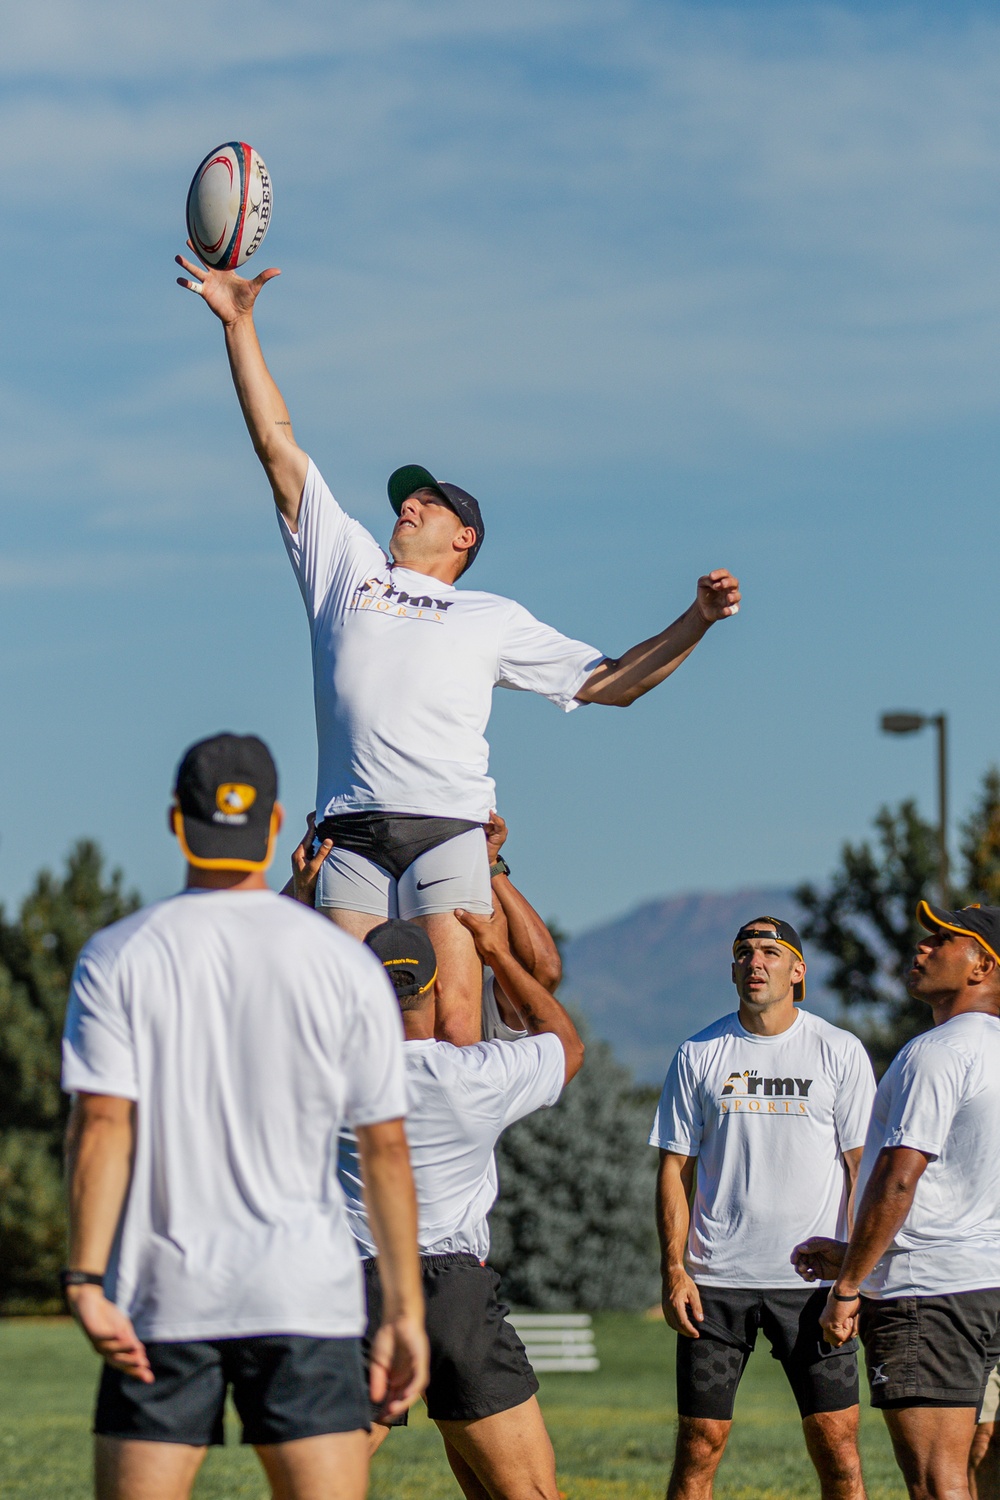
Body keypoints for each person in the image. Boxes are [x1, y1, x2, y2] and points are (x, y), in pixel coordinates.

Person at [175, 248, 741, 1045]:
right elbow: (276, 444)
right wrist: (239, 327)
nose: (407, 504)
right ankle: (360, 1174)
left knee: (456, 1026)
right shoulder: (346, 566)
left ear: (464, 535)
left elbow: (613, 683)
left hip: (447, 826)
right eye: (407, 498)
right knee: (354, 1027)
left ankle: (445, 1170)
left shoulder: (491, 614)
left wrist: (697, 620)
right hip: (354, 827)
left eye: (428, 501)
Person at [60, 733, 428, 1500]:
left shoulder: (117, 954)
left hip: (162, 1301)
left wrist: (85, 1279)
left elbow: (101, 1128)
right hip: (306, 1296)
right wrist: (401, 1309)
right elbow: (386, 1148)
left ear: (174, 822)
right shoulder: (343, 963)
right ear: (275, 826)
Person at [338, 906, 584, 1500]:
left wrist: (301, 890)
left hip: (354, 1291)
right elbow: (566, 1046)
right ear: (437, 987)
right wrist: (496, 952)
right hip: (452, 1294)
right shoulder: (476, 1075)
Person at [650, 916, 876, 1500]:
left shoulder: (838, 1050)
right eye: (744, 952)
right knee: (699, 1444)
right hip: (716, 1284)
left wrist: (853, 1280)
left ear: (798, 971)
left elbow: (863, 1172)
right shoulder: (699, 1051)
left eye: (771, 952)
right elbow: (674, 1170)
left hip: (813, 1285)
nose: (756, 962)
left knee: (839, 1450)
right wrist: (674, 1270)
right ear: (732, 970)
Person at [793, 901, 1000, 1500]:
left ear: (982, 966)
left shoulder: (936, 1052)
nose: (922, 949)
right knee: (985, 1469)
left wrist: (850, 1283)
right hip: (989, 1285)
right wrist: (855, 1252)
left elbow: (899, 1179)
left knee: (937, 1482)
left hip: (931, 1296)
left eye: (943, 941)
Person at [285, 808, 561, 1040]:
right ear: (437, 987)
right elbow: (543, 972)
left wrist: (304, 895)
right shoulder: (478, 1060)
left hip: (360, 830)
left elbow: (541, 970)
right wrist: (490, 869)